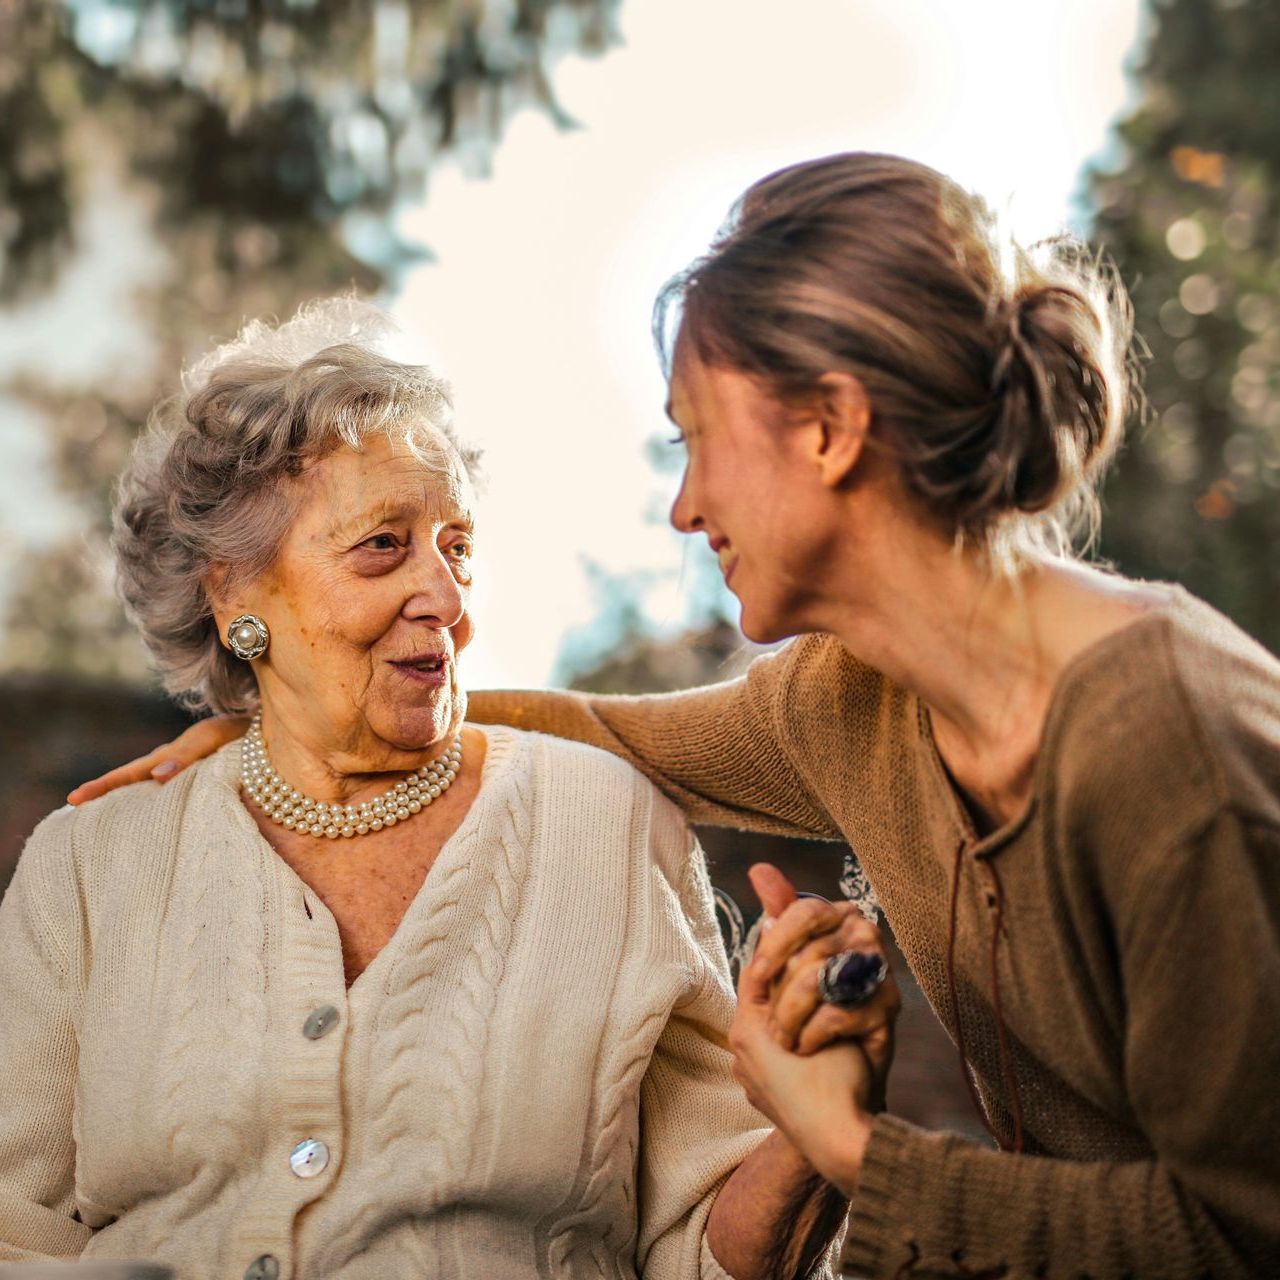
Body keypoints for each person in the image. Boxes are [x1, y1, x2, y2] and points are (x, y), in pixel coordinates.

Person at [73, 154, 1280, 1277]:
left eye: (696, 440)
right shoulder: (851, 699)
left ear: (828, 426)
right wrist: (293, 718)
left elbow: (1242, 1232)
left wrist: (857, 1152)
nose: (685, 505)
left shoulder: (1163, 743)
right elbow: (611, 730)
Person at [0, 299, 857, 1279]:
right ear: (233, 590)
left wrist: (809, 1133)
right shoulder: (90, 863)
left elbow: (699, 1253)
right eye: (382, 545)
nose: (447, 601)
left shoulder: (604, 827)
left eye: (458, 546)